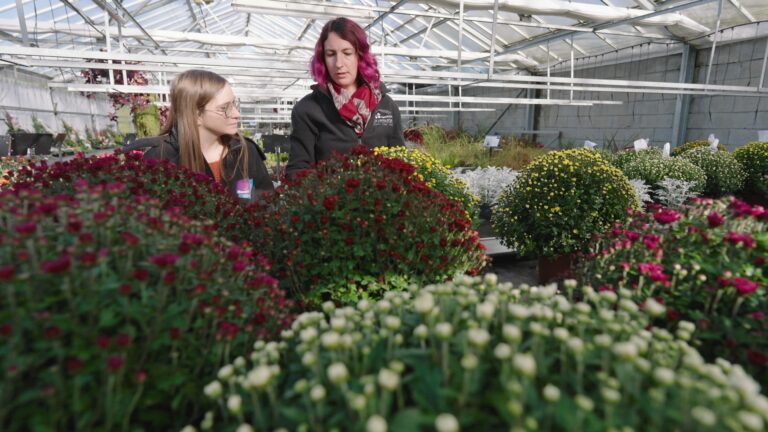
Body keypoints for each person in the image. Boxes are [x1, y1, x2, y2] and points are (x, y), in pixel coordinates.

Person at [286, 17, 404, 178]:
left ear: (360, 56)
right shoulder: (308, 109)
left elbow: (401, 163)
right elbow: (298, 169)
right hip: (331, 200)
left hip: (380, 200)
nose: (339, 63)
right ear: (323, 59)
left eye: (347, 53)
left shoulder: (386, 106)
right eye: (331, 54)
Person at [128, 69, 273, 201]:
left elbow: (266, 202)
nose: (236, 114)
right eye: (224, 108)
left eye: (234, 105)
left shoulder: (244, 151)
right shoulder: (160, 158)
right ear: (196, 115)